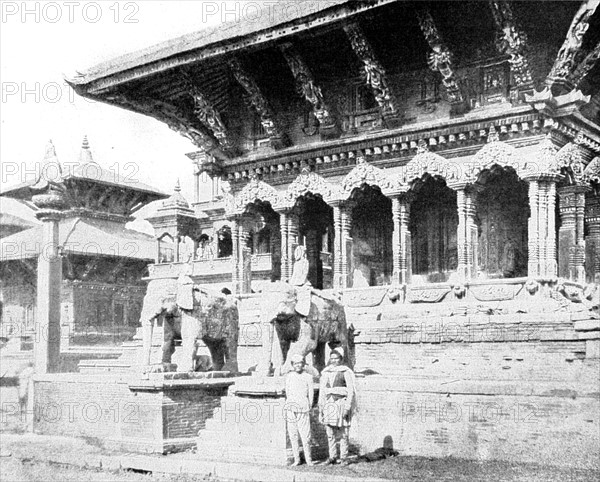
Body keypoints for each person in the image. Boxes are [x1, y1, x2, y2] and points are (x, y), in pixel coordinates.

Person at [318, 347, 356, 465]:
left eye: (336, 358)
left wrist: (347, 407)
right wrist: (321, 407)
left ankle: (344, 457)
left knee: (343, 433)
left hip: (340, 403)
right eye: (332, 358)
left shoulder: (345, 372)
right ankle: (332, 456)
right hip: (329, 404)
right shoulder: (325, 372)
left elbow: (350, 391)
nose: (334, 361)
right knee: (330, 433)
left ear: (341, 359)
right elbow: (322, 391)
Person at [284, 354, 314, 466]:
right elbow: (288, 392)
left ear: (303, 364)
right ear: (292, 365)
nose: (298, 365)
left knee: (306, 436)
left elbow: (310, 393)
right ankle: (297, 459)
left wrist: (309, 405)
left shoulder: (308, 377)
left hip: (303, 407)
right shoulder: (289, 376)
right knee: (293, 434)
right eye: (295, 363)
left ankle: (309, 459)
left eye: (300, 363)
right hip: (291, 408)